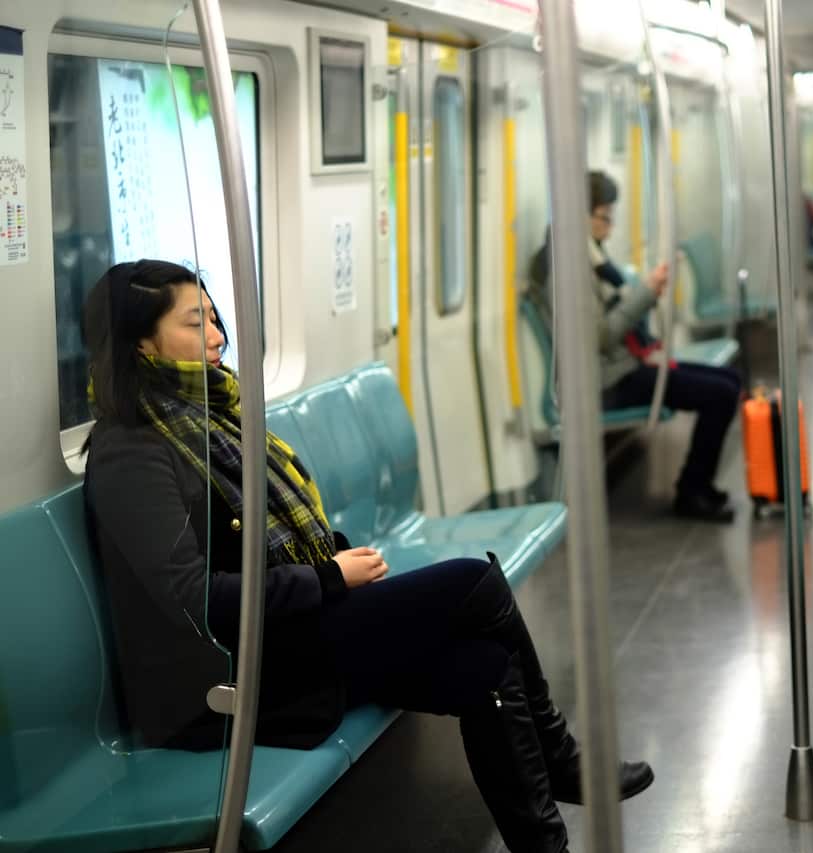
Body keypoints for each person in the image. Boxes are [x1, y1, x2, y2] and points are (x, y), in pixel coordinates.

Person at [81, 259, 653, 853]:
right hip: (225, 679)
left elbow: (264, 540)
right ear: (141, 343)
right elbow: (193, 601)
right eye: (194, 323)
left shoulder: (211, 420)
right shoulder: (133, 452)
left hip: (285, 636)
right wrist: (329, 577)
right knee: (471, 582)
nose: (218, 336)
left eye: (214, 318)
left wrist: (333, 567)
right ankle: (563, 758)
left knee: (486, 669)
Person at [529, 171, 741, 524]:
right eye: (604, 218)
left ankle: (697, 485)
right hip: (604, 382)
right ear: (580, 214)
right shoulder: (566, 268)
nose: (610, 229)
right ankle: (692, 490)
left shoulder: (588, 257)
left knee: (729, 381)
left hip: (620, 367)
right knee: (719, 394)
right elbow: (598, 337)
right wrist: (645, 293)